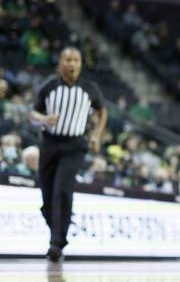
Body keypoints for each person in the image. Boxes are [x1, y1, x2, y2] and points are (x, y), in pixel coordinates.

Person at [28, 47, 107, 262]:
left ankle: (56, 244)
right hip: (50, 144)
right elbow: (32, 115)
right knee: (47, 197)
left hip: (75, 145)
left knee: (62, 190)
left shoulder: (90, 88)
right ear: (60, 63)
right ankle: (57, 230)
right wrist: (44, 120)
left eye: (76, 60)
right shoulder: (49, 86)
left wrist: (96, 136)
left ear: (81, 64)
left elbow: (102, 111)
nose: (72, 64)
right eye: (68, 60)